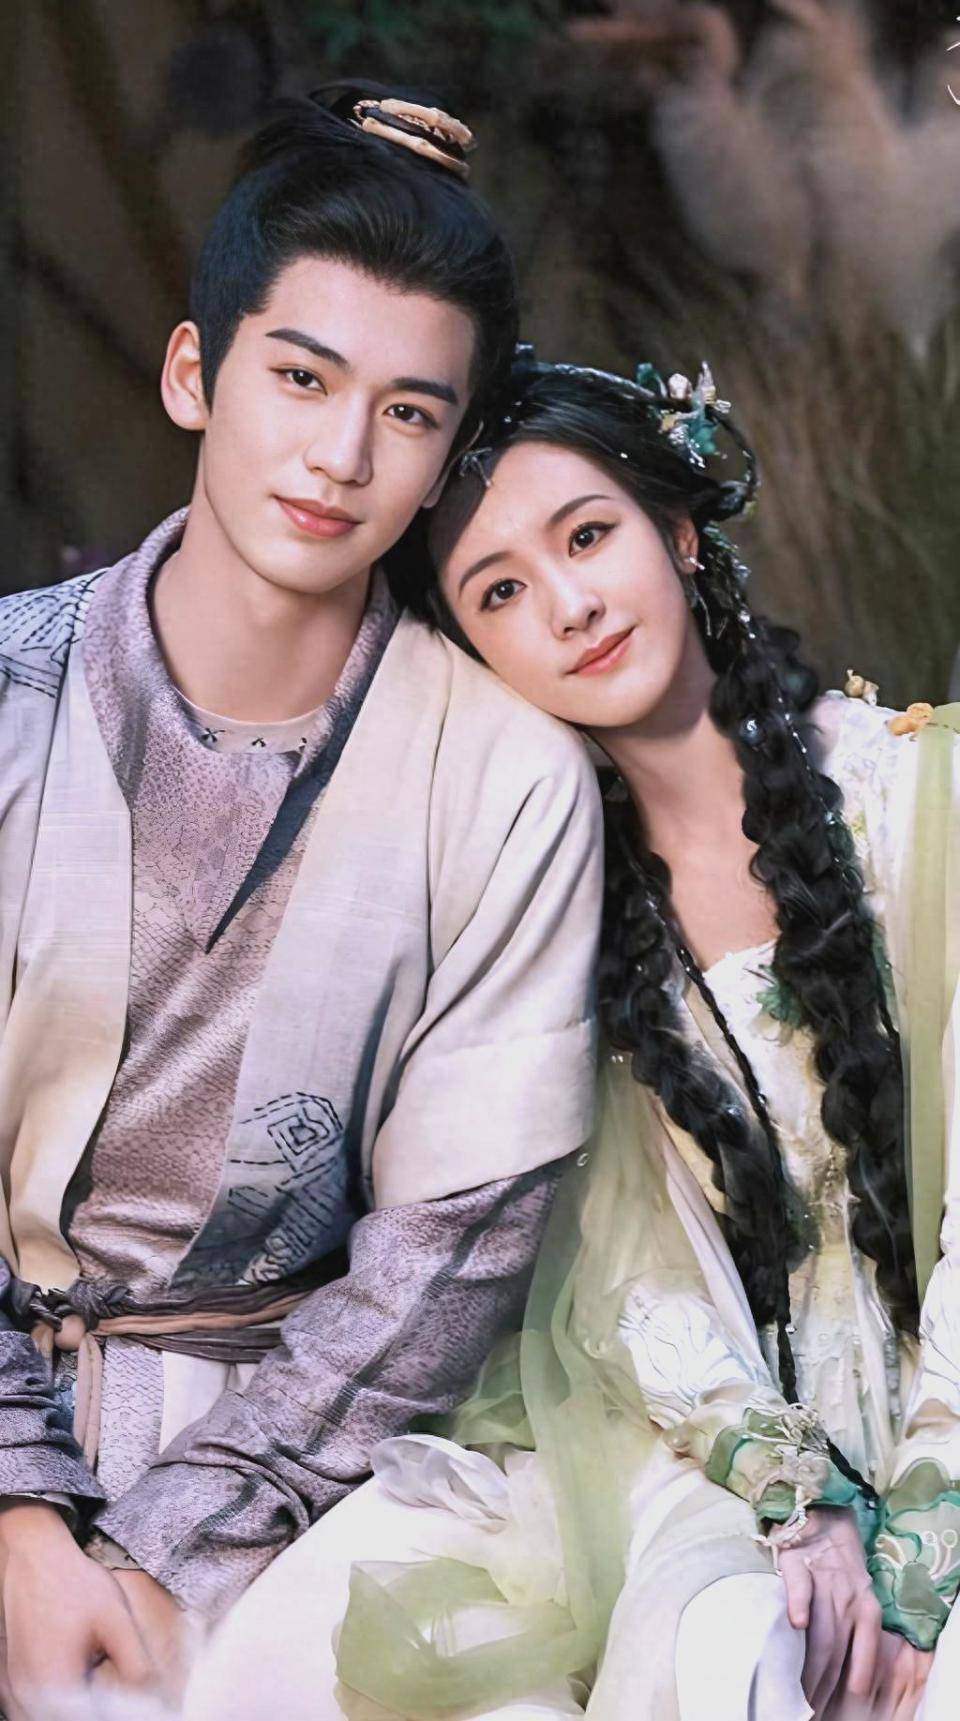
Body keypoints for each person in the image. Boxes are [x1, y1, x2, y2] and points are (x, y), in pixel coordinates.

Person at [186, 352, 960, 1721]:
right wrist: (797, 1495)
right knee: (690, 1645)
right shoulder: (554, 915)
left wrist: (919, 1536)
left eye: (588, 536)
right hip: (728, 1434)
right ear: (474, 652)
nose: (569, 606)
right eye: (499, 592)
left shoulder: (924, 794)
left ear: (676, 530)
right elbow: (627, 1276)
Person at [0, 97, 603, 1717]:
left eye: (409, 413)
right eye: (303, 379)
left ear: (447, 456)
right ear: (195, 374)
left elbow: (450, 1259)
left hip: (295, 1467)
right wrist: (20, 1515)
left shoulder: (505, 779)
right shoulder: (11, 688)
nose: (342, 457)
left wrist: (166, 1553)